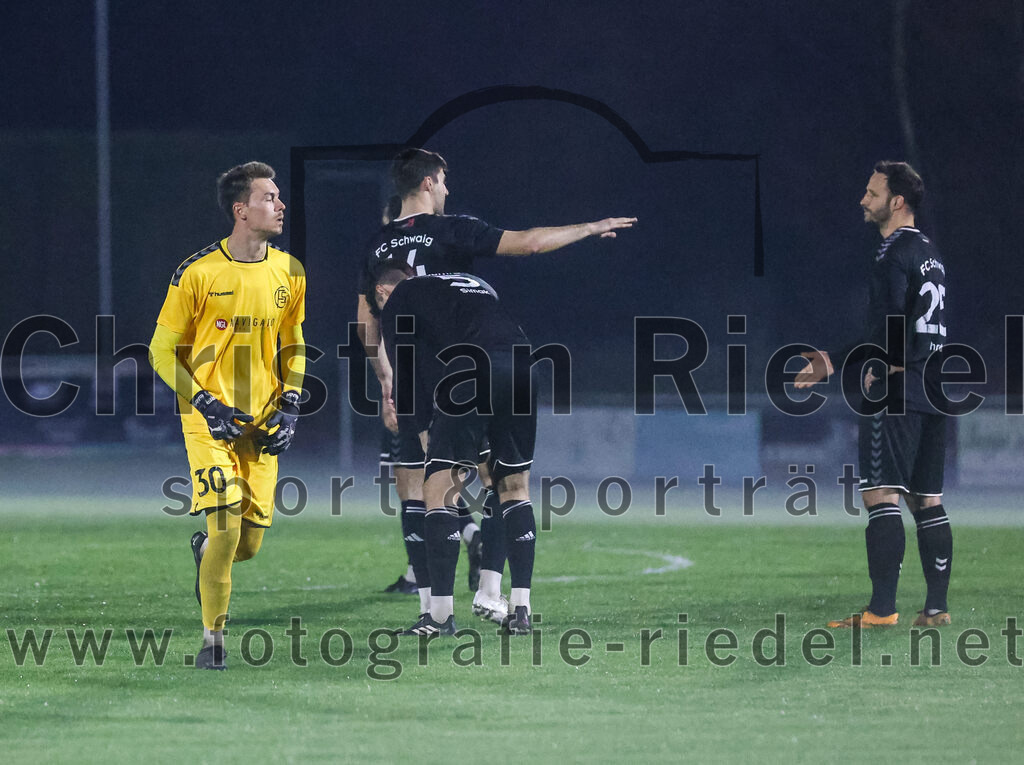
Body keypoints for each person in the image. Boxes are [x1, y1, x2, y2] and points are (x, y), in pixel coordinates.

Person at [356, 148, 635, 623]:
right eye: (443, 181)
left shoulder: (377, 246)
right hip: (492, 351)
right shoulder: (452, 229)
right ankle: (496, 592)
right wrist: (587, 229)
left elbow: (367, 322)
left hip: (424, 370)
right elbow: (527, 243)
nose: (447, 189)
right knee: (504, 482)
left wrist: (385, 378)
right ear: (428, 182)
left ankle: (436, 612)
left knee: (431, 486)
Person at [149, 161, 306, 669]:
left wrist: (292, 402)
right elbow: (159, 350)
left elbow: (294, 341)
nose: (280, 205)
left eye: (279, 197)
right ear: (241, 210)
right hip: (208, 421)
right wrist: (204, 402)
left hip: (261, 422)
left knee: (248, 544)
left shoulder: (290, 270)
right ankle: (212, 643)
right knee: (227, 528)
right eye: (269, 197)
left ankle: (205, 552)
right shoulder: (197, 272)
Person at [796, 160, 952, 629]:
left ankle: (881, 611)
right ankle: (936, 609)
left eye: (871, 192)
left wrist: (879, 361)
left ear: (896, 201)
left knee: (881, 495)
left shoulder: (890, 251)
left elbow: (887, 320)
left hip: (899, 388)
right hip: (936, 384)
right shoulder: (929, 252)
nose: (864, 200)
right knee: (928, 499)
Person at [371, 264, 539, 635]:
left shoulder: (399, 300)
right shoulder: (475, 285)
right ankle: (520, 609)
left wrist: (425, 440)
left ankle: (440, 617)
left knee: (438, 489)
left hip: (472, 368)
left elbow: (408, 376)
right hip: (524, 364)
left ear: (383, 293)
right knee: (513, 487)